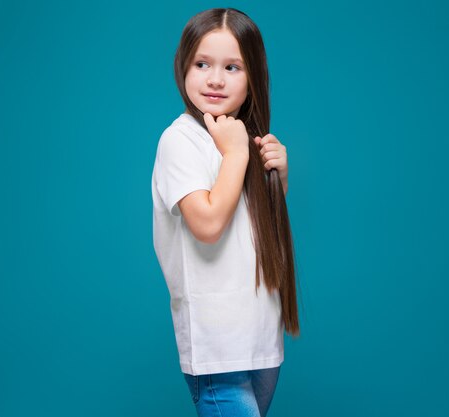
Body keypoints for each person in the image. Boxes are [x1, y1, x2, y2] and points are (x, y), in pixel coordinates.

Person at [151, 7, 300, 417]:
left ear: (253, 76)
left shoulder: (243, 137)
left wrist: (277, 180)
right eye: (202, 64)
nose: (215, 78)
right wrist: (236, 154)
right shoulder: (180, 140)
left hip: (260, 340)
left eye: (232, 67)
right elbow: (209, 224)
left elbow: (252, 234)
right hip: (218, 348)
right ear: (184, 66)